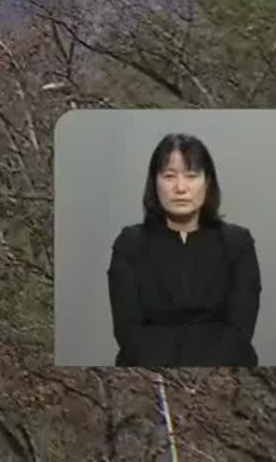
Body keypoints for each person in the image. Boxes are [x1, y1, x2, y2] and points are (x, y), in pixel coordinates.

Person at [106, 132, 261, 367]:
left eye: (191, 175)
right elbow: (129, 334)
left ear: (208, 182)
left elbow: (239, 332)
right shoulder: (130, 244)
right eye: (169, 176)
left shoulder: (237, 244)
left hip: (225, 372)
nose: (181, 188)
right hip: (148, 372)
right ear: (154, 182)